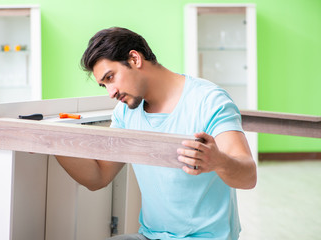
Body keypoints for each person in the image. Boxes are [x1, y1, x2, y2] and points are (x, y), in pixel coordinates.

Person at [56, 27, 257, 240]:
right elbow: (98, 177)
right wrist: (52, 142)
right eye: (104, 85)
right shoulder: (126, 112)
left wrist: (218, 161)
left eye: (111, 77)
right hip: (151, 236)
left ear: (134, 59)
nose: (111, 92)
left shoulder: (208, 100)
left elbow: (248, 177)